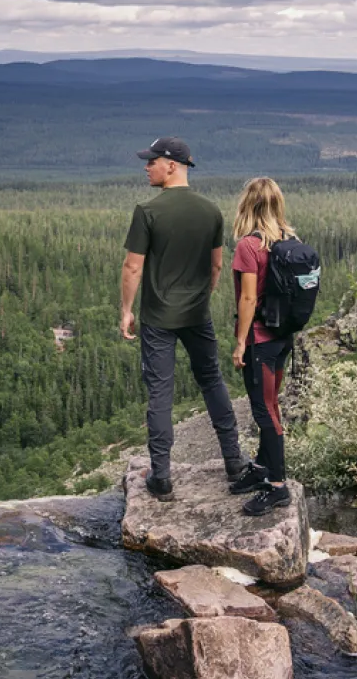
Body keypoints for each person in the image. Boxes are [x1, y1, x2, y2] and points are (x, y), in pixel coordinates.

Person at [120, 137, 252, 498]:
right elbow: (217, 265)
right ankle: (234, 463)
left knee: (160, 391)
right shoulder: (210, 211)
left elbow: (133, 267)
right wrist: (202, 296)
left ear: (172, 165)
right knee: (212, 382)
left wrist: (127, 310)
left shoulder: (147, 211)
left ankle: (161, 478)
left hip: (158, 317)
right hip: (197, 314)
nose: (146, 167)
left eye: (152, 161)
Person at [228, 177, 295, 515]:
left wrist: (241, 342)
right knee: (271, 404)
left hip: (260, 340)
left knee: (264, 409)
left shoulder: (248, 246)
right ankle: (261, 467)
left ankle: (278, 486)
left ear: (248, 205)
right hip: (283, 338)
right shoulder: (289, 239)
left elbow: (249, 297)